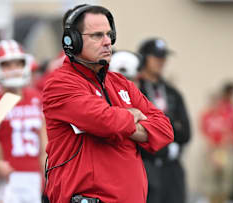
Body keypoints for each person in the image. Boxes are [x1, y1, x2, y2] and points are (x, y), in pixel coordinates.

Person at [42, 5, 173, 203]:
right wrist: (133, 115)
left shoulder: (121, 83)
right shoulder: (60, 83)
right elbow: (105, 121)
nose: (107, 42)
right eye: (97, 35)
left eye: (109, 34)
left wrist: (122, 119)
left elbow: (164, 130)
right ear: (73, 41)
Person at [0, 39, 47, 203]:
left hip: (33, 177)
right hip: (3, 178)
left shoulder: (37, 98)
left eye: (18, 64)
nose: (14, 70)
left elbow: (44, 145)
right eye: (7, 65)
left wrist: (47, 176)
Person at [137, 38, 191, 203]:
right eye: (156, 57)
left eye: (164, 57)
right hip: (146, 165)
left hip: (172, 166)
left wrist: (162, 129)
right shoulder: (136, 90)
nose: (162, 62)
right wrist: (170, 127)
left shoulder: (173, 92)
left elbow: (186, 132)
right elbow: (136, 128)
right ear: (144, 58)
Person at [200, 82, 233, 203]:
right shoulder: (206, 115)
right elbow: (203, 132)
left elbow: (230, 130)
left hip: (225, 149)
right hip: (211, 150)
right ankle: (212, 199)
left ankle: (223, 198)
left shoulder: (226, 114)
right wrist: (211, 145)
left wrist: (224, 143)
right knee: (210, 177)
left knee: (226, 177)